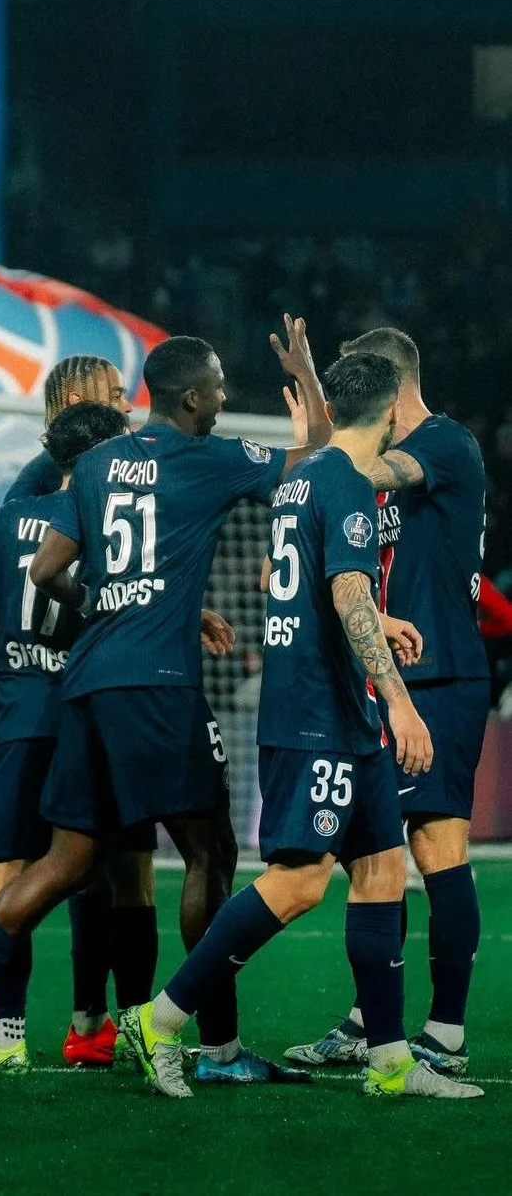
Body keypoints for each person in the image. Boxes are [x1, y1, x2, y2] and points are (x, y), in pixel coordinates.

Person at [0, 324, 328, 1081]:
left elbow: (44, 569)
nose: (225, 398)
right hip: (158, 684)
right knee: (209, 852)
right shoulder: (209, 458)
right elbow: (317, 458)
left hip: (85, 682)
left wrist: (109, 600)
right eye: (220, 387)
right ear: (192, 398)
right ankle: (217, 1048)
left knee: (64, 859)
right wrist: (308, 383)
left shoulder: (95, 463)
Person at [119, 351, 483, 1100]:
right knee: (300, 881)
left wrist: (378, 620)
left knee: (383, 869)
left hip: (338, 713)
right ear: (387, 416)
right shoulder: (345, 481)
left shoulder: (303, 478)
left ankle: (387, 1060)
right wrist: (402, 700)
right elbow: (346, 589)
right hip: (318, 713)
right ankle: (161, 1015)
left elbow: (301, 583)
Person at [0, 353, 156, 1070]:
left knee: (49, 859)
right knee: (59, 860)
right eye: (114, 397)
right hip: (59, 699)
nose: (127, 408)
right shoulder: (76, 498)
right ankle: (12, 1016)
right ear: (78, 407)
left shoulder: (17, 513)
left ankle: (45, 1022)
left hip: (39, 700)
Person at [284, 328, 489, 1076]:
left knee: (437, 848)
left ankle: (446, 1031)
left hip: (438, 677)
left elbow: (355, 463)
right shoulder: (377, 459)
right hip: (388, 678)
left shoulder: (444, 444)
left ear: (389, 384)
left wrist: (318, 416)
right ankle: (371, 1019)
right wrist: (317, 397)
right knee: (372, 856)